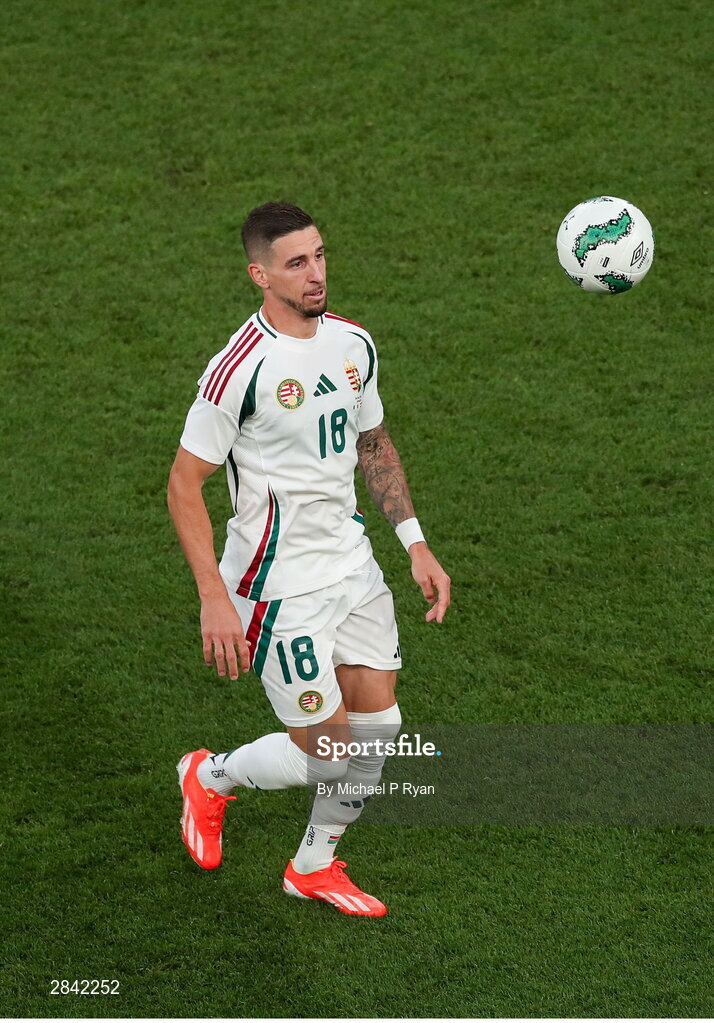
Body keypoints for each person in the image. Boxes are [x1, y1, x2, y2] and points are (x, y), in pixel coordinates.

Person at [168, 202, 450, 917]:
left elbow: (373, 442)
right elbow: (183, 482)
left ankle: (312, 865)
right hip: (275, 585)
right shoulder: (241, 368)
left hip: (351, 565)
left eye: (320, 255)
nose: (316, 273)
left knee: (378, 731)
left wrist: (413, 541)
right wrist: (212, 595)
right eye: (297, 263)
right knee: (325, 752)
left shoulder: (354, 343)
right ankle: (211, 775)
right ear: (259, 274)